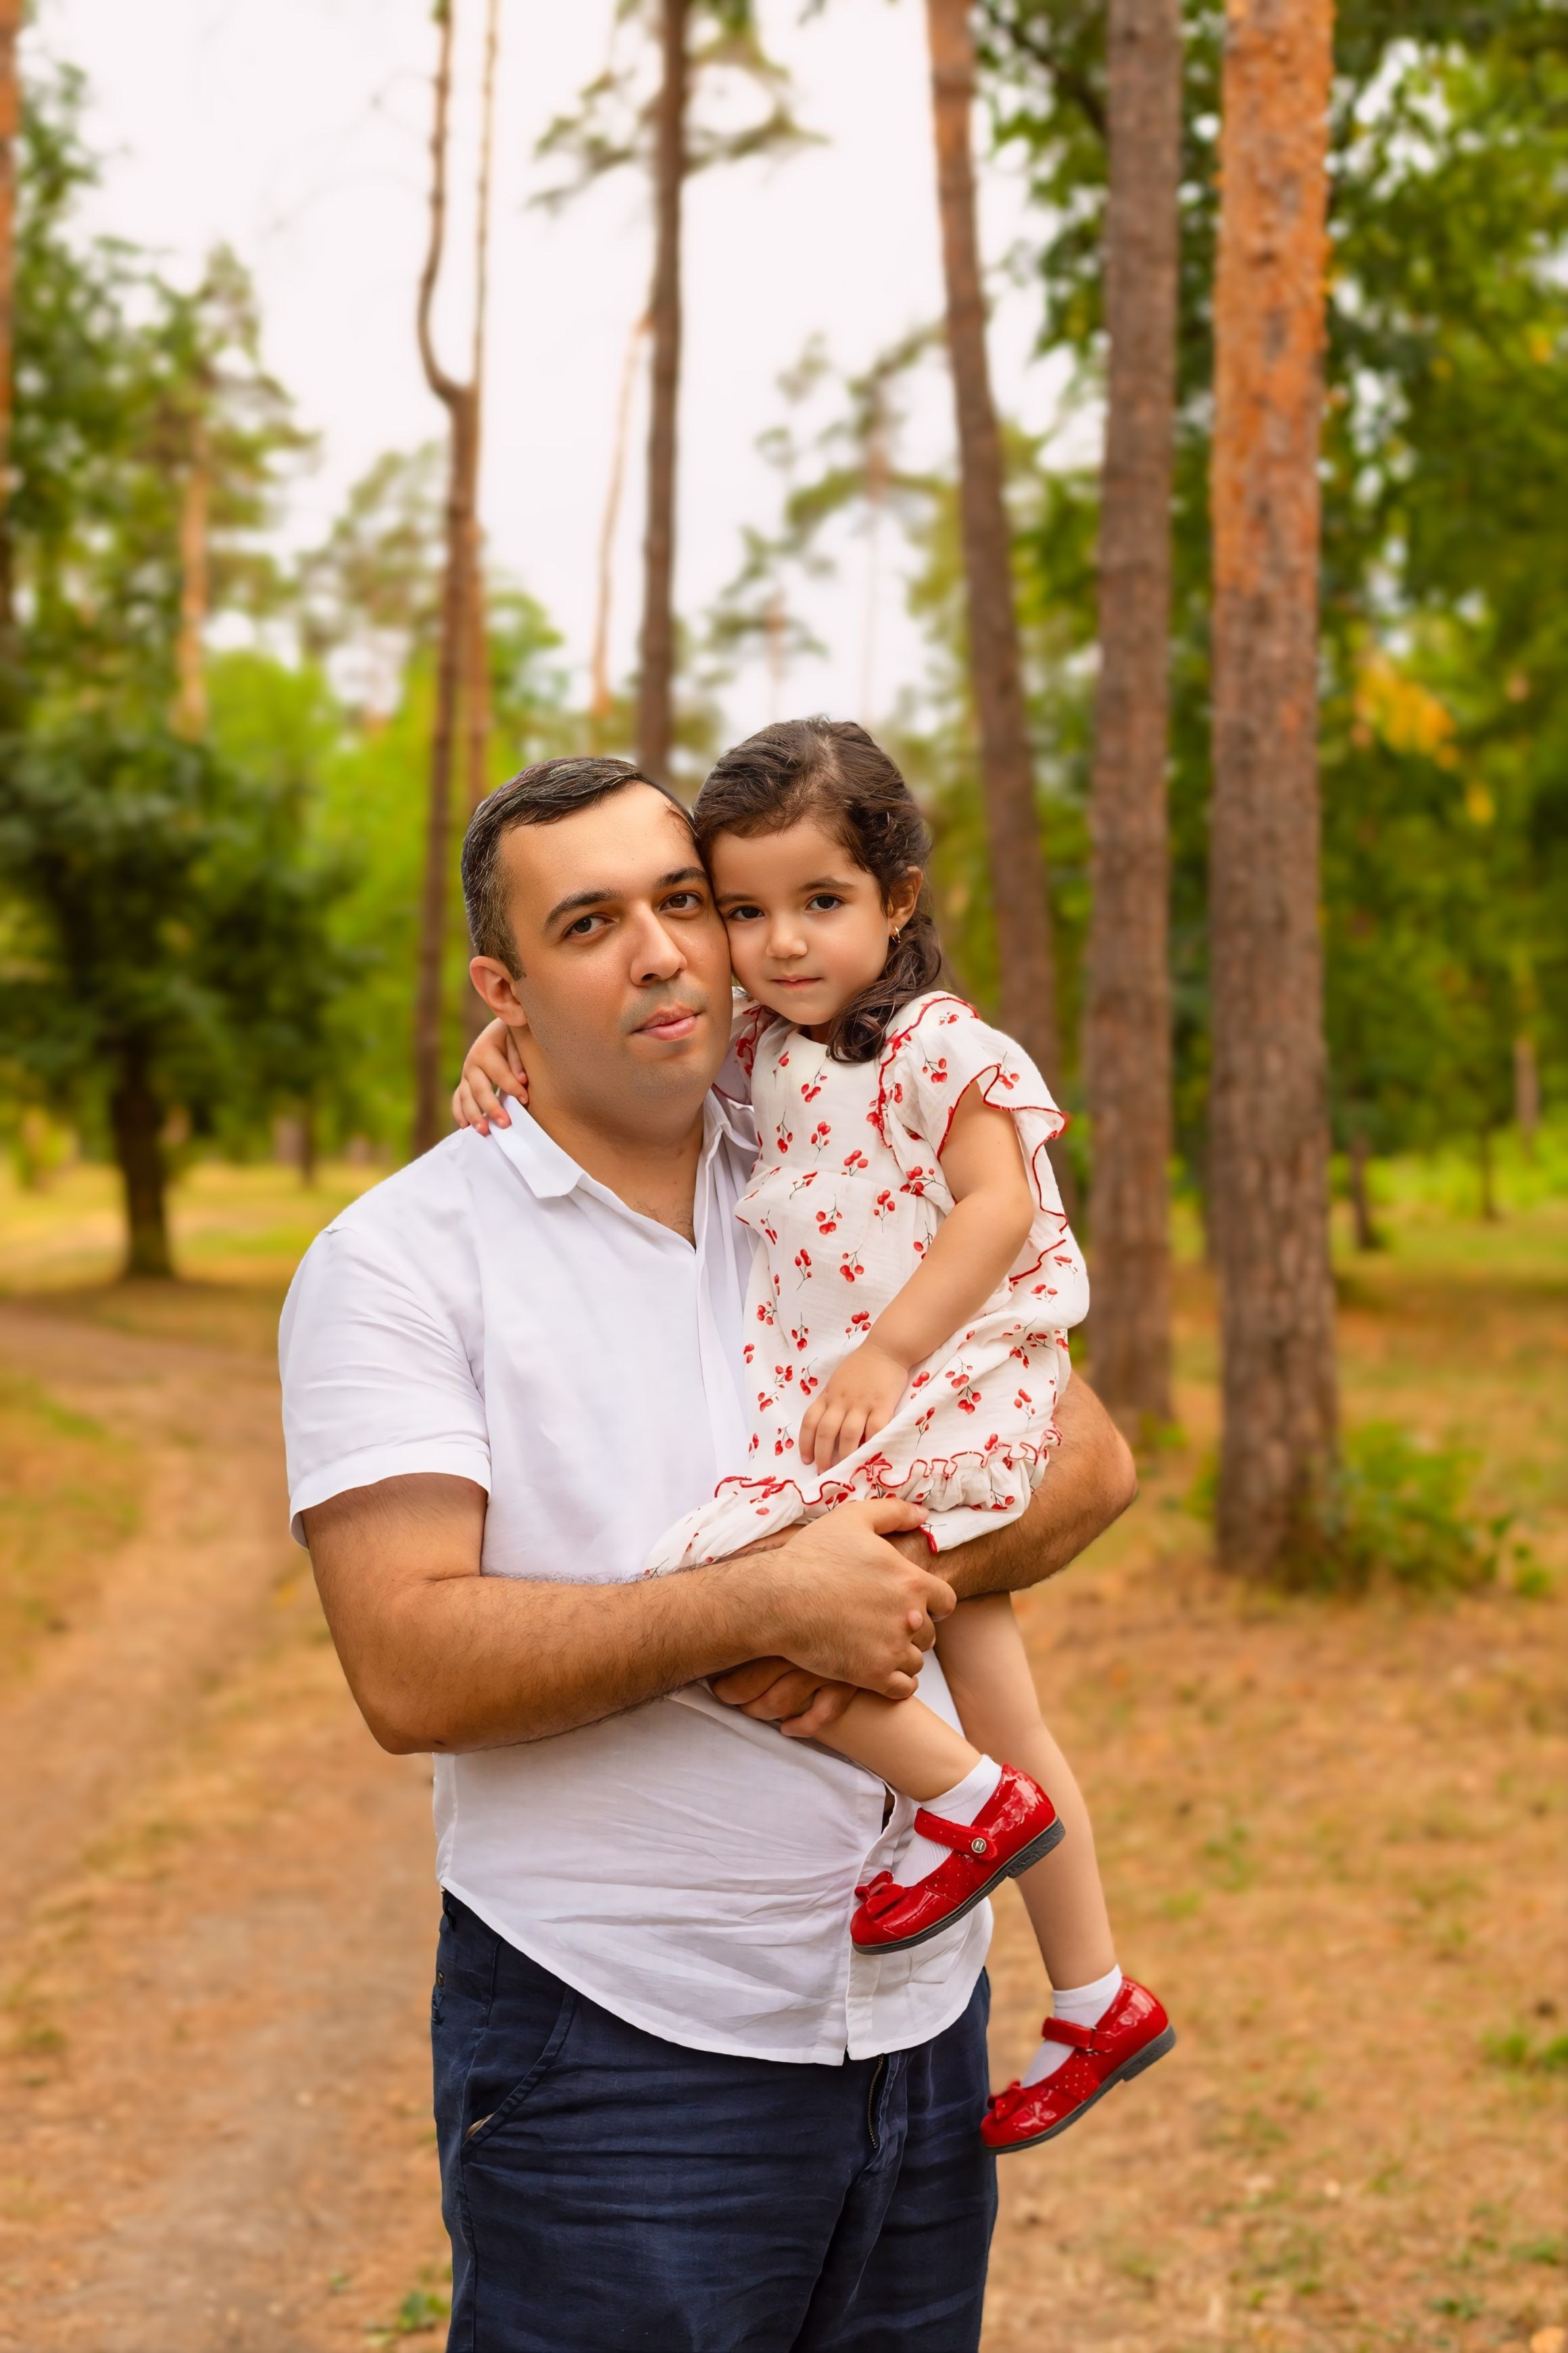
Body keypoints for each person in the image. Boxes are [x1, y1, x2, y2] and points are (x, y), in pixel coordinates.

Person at [282, 748, 1136, 2353]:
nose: (663, 951)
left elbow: (1086, 1459)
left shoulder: (831, 1155)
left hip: (918, 2023)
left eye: (685, 902)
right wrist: (753, 1605)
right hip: (618, 2050)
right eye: (587, 924)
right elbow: (405, 1664)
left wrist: (875, 1581)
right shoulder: (400, 1260)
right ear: (503, 989)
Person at [456, 720, 1172, 2163]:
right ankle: (1095, 1991)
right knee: (1004, 1699)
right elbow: (627, 1048)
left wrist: (890, 1352)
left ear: (897, 899)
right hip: (876, 1404)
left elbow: (999, 1205)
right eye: (743, 911)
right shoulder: (765, 1052)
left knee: (724, 1583)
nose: (778, 943)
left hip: (930, 1387)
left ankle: (962, 1803)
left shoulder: (935, 1043)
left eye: (821, 902)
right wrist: (512, 1035)